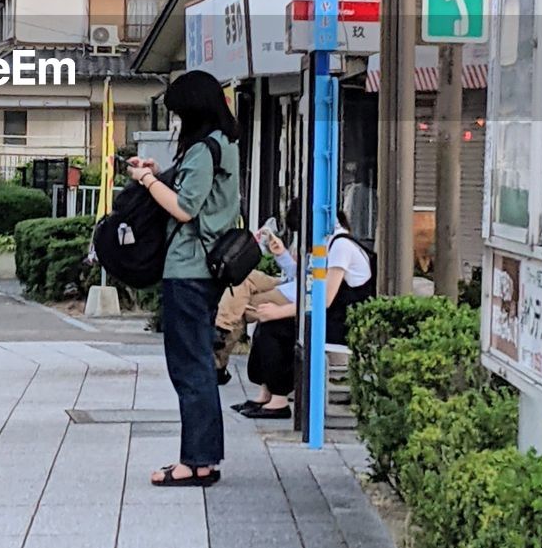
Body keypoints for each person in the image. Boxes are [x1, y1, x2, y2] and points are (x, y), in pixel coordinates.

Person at [127, 69, 240, 488]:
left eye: (177, 115)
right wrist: (160, 172)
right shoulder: (222, 144)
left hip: (189, 269)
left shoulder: (203, 149)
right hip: (204, 270)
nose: (175, 122)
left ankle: (196, 462)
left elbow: (185, 207)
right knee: (197, 365)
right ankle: (202, 457)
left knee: (190, 367)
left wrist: (148, 179)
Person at [238, 212, 375, 419]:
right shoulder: (332, 244)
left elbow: (325, 299)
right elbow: (307, 281)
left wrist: (279, 312)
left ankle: (279, 397)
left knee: (276, 328)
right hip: (332, 317)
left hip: (342, 323)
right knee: (267, 323)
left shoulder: (341, 247)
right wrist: (282, 255)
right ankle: (267, 392)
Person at [214, 198, 302, 382]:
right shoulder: (314, 239)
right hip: (290, 283)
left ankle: (219, 352)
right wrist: (282, 254)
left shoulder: (329, 245)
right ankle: (221, 329)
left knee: (239, 307)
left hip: (295, 292)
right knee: (244, 278)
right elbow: (298, 273)